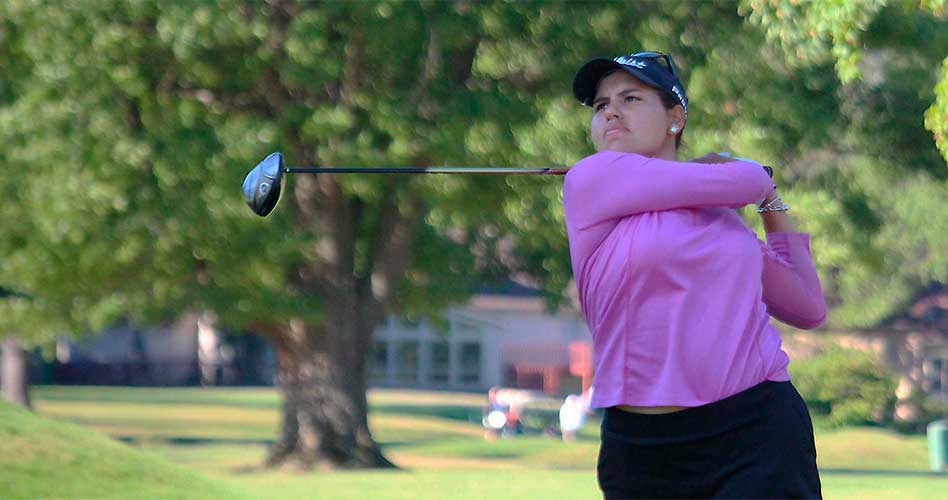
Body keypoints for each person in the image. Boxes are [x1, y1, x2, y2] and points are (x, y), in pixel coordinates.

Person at [563, 51, 827, 499]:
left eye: (630, 98)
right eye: (601, 104)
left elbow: (807, 306)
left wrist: (772, 204)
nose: (610, 110)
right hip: (643, 447)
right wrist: (749, 175)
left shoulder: (723, 222)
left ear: (675, 117)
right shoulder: (592, 179)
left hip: (757, 428)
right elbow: (746, 180)